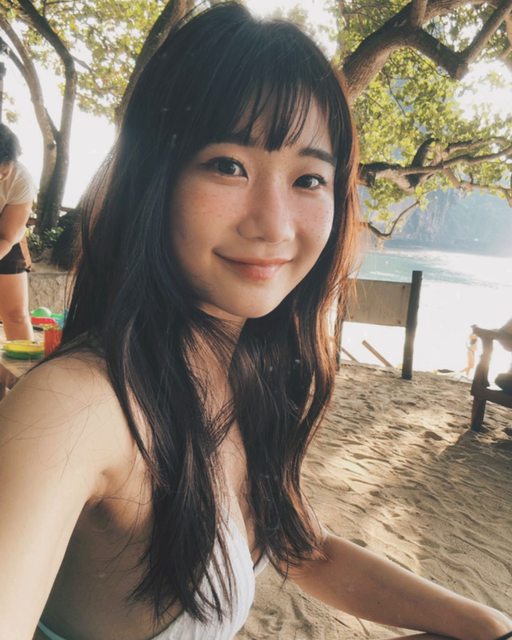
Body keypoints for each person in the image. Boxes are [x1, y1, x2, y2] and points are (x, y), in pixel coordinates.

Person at [0, 4, 511, 640]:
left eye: (309, 178)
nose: (274, 225)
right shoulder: (76, 408)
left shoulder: (252, 372)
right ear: (153, 178)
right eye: (228, 165)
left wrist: (485, 622)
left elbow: (301, 545)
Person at [0, 123, 36, 340]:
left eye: (3, 173)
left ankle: (25, 362)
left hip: (3, 236)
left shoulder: (21, 180)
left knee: (15, 314)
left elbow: (7, 237)